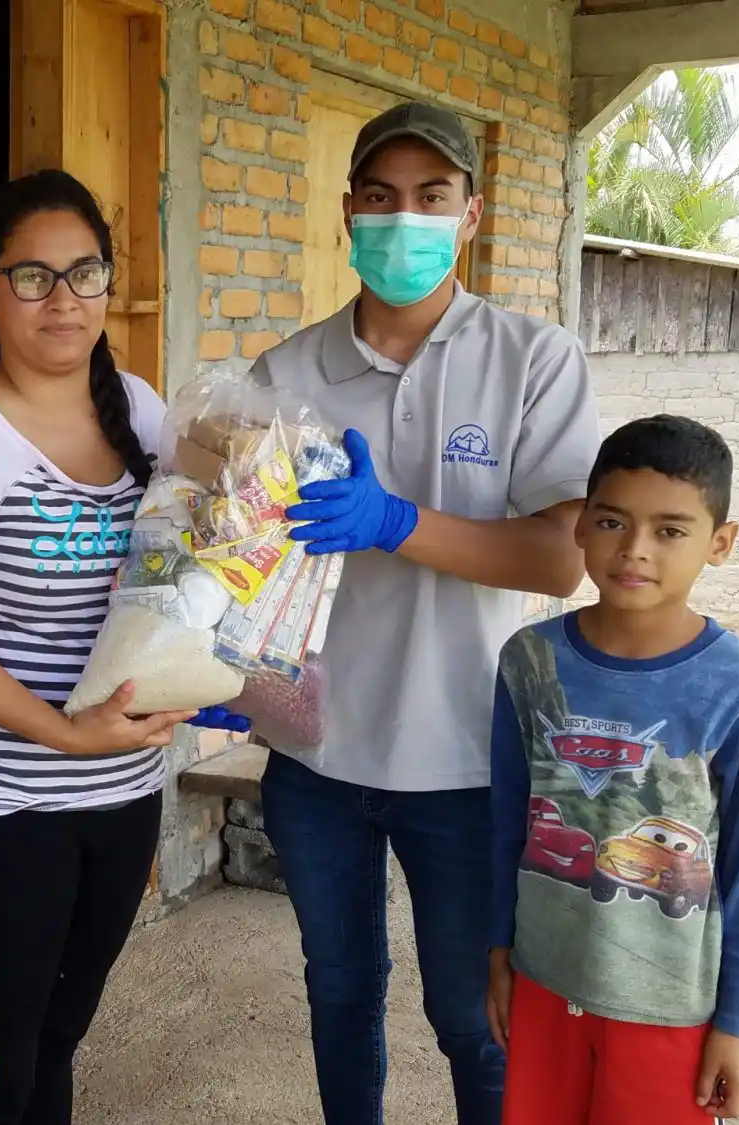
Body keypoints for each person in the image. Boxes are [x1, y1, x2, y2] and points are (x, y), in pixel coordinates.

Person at [250, 101, 601, 1125]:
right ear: (346, 214)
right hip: (314, 757)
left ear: (470, 214)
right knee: (338, 992)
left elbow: (557, 561)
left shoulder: (530, 361)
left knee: (469, 1012)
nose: (402, 219)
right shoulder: (286, 373)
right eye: (379, 197)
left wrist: (395, 520)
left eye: (430, 198)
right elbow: (247, 558)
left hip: (466, 757)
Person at [0, 168, 245, 1125]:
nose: (62, 300)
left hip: (122, 791)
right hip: (6, 801)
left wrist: (276, 480)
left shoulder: (133, 401)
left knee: (59, 1037)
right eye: (32, 277)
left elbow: (200, 539)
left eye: (84, 273)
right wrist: (61, 730)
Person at [486, 416, 739, 1123]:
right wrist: (500, 951)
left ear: (722, 542)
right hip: (542, 983)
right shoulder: (529, 661)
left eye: (671, 530)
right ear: (582, 525)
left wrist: (735, 1025)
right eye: (613, 521)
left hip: (670, 1009)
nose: (636, 550)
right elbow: (505, 824)